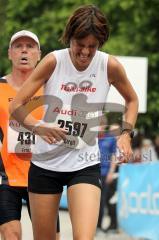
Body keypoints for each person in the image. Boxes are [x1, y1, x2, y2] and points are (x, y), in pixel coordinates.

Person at [10, 5, 138, 240]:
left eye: (93, 46)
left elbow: (132, 100)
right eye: (80, 45)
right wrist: (38, 126)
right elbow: (16, 105)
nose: (86, 53)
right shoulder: (53, 61)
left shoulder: (109, 65)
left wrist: (126, 134)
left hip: (84, 163)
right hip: (45, 165)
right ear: (70, 38)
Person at [0, 30, 60, 240]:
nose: (24, 51)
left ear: (39, 54)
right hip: (6, 177)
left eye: (30, 46)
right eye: (18, 46)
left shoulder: (52, 89)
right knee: (11, 235)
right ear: (10, 53)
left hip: (44, 174)